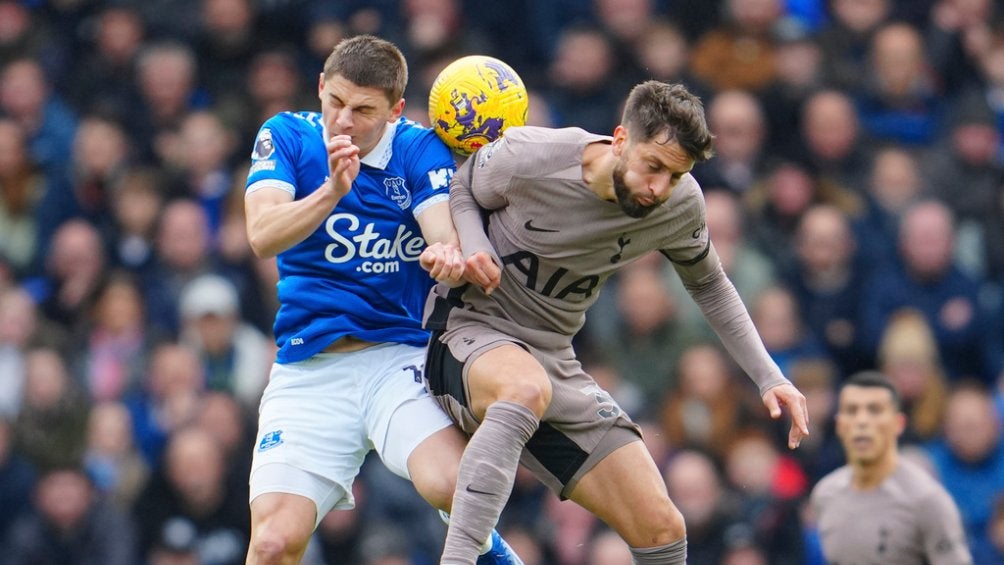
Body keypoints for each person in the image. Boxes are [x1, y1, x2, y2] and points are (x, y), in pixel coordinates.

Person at [422, 80, 809, 564]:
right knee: (522, 388)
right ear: (621, 139)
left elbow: (709, 285)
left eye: (675, 175)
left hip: (552, 361)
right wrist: (476, 243)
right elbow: (462, 188)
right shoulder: (531, 154)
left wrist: (769, 375)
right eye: (653, 167)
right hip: (468, 330)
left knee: (662, 529)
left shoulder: (680, 202)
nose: (659, 188)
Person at [241, 35, 520, 564]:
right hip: (309, 367)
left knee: (453, 487)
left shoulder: (419, 148)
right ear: (321, 87)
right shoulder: (287, 136)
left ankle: (499, 557)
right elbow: (261, 234)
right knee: (274, 543)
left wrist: (447, 255)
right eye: (336, 102)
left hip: (399, 356)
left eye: (364, 110)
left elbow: (441, 230)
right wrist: (330, 192)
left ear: (394, 110)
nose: (344, 120)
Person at [808, 371, 973, 564]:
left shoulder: (927, 500)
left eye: (875, 410)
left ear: (898, 423)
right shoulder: (825, 494)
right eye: (852, 410)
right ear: (840, 424)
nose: (862, 422)